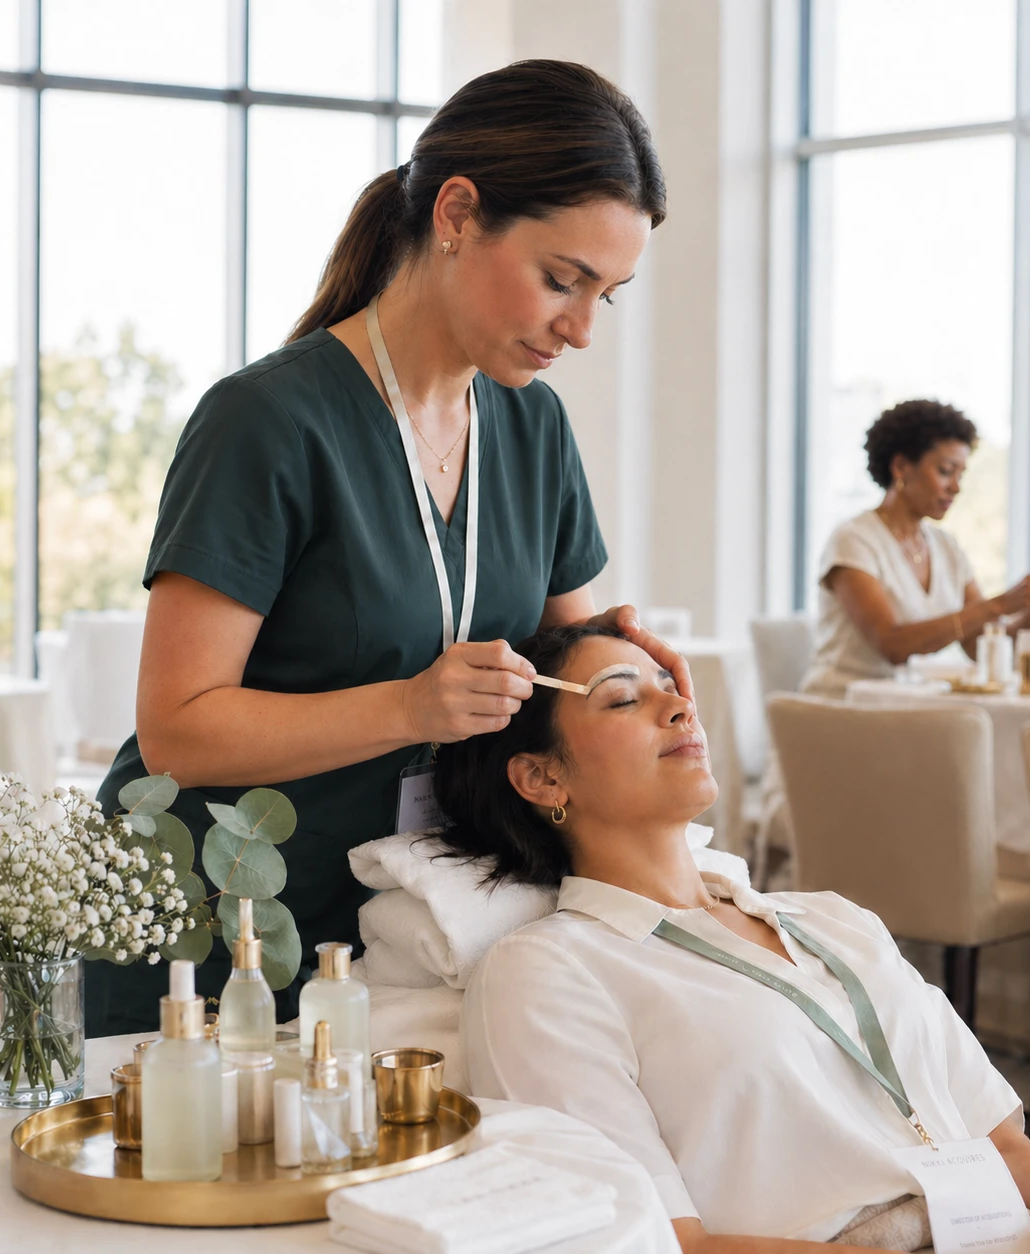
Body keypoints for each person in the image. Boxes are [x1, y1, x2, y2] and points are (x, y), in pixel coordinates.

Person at [88, 60, 689, 1035]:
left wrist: (607, 658)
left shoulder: (533, 430)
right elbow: (177, 731)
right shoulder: (267, 422)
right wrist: (412, 705)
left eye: (606, 296)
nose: (579, 330)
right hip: (219, 926)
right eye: (560, 281)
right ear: (456, 212)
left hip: (419, 925)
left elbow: (554, 664)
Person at [435, 625, 1030, 1254]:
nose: (682, 705)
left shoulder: (832, 920)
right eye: (625, 699)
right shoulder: (552, 973)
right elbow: (662, 1243)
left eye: (669, 684)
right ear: (541, 777)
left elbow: (996, 1139)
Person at [802, 398, 1030, 698]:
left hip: (905, 708)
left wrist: (1026, 624)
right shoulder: (853, 541)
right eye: (945, 470)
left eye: (960, 474)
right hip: (840, 707)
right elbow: (893, 645)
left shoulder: (945, 547)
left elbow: (976, 644)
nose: (956, 487)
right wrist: (1000, 604)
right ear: (901, 467)